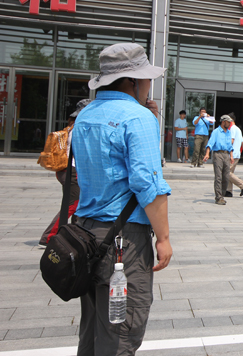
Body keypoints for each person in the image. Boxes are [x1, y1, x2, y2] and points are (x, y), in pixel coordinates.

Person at [72, 42, 172, 354]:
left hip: (85, 234)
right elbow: (148, 185)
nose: (149, 84)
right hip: (123, 241)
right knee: (122, 332)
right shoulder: (137, 118)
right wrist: (164, 239)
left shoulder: (85, 115)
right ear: (132, 81)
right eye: (147, 78)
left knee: (93, 328)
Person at [38, 99, 91, 248]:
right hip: (73, 171)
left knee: (78, 205)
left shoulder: (72, 127)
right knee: (72, 205)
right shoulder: (80, 128)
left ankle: (76, 235)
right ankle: (48, 237)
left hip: (68, 171)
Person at [202, 115, 236, 206]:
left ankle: (222, 194)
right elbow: (210, 143)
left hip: (226, 154)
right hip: (218, 154)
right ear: (223, 122)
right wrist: (207, 154)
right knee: (218, 176)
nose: (229, 124)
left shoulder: (228, 132)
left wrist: (231, 156)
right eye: (228, 122)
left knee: (226, 176)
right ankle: (218, 197)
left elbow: (230, 146)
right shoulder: (216, 132)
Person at [225, 112, 243, 198]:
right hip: (237, 154)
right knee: (230, 173)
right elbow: (242, 143)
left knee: (226, 172)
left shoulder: (232, 129)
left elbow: (231, 141)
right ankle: (228, 191)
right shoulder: (238, 129)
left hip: (232, 154)